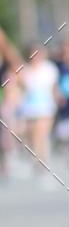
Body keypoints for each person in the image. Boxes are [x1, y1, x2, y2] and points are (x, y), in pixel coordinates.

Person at [19, 44, 59, 183]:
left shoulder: (49, 69)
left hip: (46, 107)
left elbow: (54, 87)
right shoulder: (25, 70)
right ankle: (38, 158)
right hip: (29, 108)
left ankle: (42, 162)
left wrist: (57, 98)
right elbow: (21, 88)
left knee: (40, 133)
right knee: (31, 135)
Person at [0, 26, 22, 179]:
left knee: (4, 133)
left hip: (4, 101)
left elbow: (20, 73)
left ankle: (5, 162)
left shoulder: (8, 56)